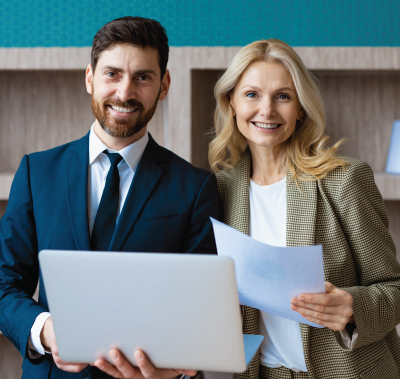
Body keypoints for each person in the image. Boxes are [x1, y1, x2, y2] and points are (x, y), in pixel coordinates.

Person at [0, 16, 221, 379]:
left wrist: (179, 371)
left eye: (143, 77)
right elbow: (4, 283)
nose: (125, 92)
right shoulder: (36, 172)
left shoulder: (195, 188)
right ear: (90, 78)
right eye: (112, 74)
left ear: (164, 84)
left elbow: (200, 310)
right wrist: (44, 330)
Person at [209, 38, 400, 379]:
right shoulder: (218, 189)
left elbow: (393, 289)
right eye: (252, 94)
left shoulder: (344, 180)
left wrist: (353, 307)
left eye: (283, 96)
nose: (266, 110)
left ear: (300, 108)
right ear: (231, 103)